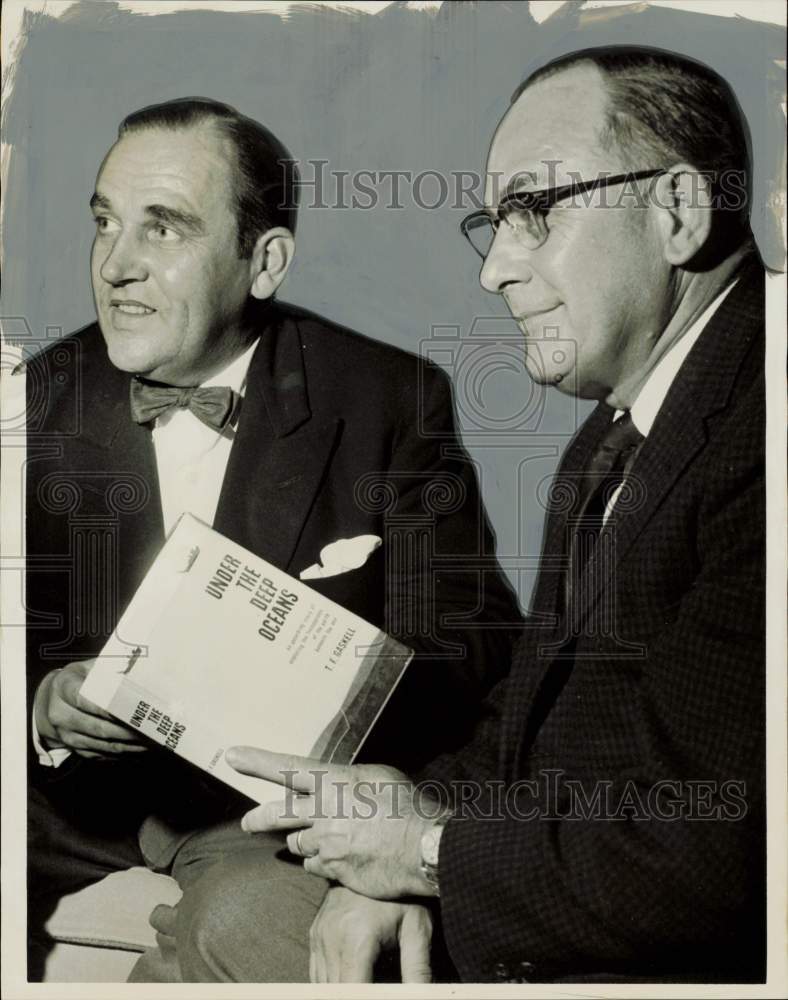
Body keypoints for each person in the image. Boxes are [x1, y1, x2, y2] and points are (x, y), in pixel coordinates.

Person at [226, 46, 767, 983]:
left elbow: (726, 859)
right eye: (496, 222)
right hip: (544, 895)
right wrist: (399, 821)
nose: (494, 273)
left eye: (533, 211)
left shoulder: (768, 430)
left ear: (677, 210)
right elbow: (526, 737)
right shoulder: (605, 445)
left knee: (232, 923)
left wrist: (424, 857)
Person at [24, 97, 521, 982]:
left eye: (164, 229)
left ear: (266, 261)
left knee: (258, 931)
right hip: (56, 804)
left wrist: (315, 685)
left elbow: (473, 644)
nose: (116, 266)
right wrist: (42, 707)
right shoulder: (35, 395)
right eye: (105, 223)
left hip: (255, 818)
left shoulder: (389, 399)